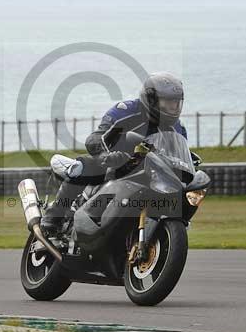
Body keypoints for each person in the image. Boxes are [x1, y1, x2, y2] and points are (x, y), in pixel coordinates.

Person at [41, 71, 187, 232]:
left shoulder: (178, 129)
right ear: (151, 100)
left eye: (175, 103)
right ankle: (55, 214)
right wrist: (105, 155)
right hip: (113, 164)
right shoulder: (126, 111)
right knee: (84, 165)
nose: (172, 108)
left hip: (147, 172)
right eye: (166, 103)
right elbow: (95, 137)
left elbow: (178, 155)